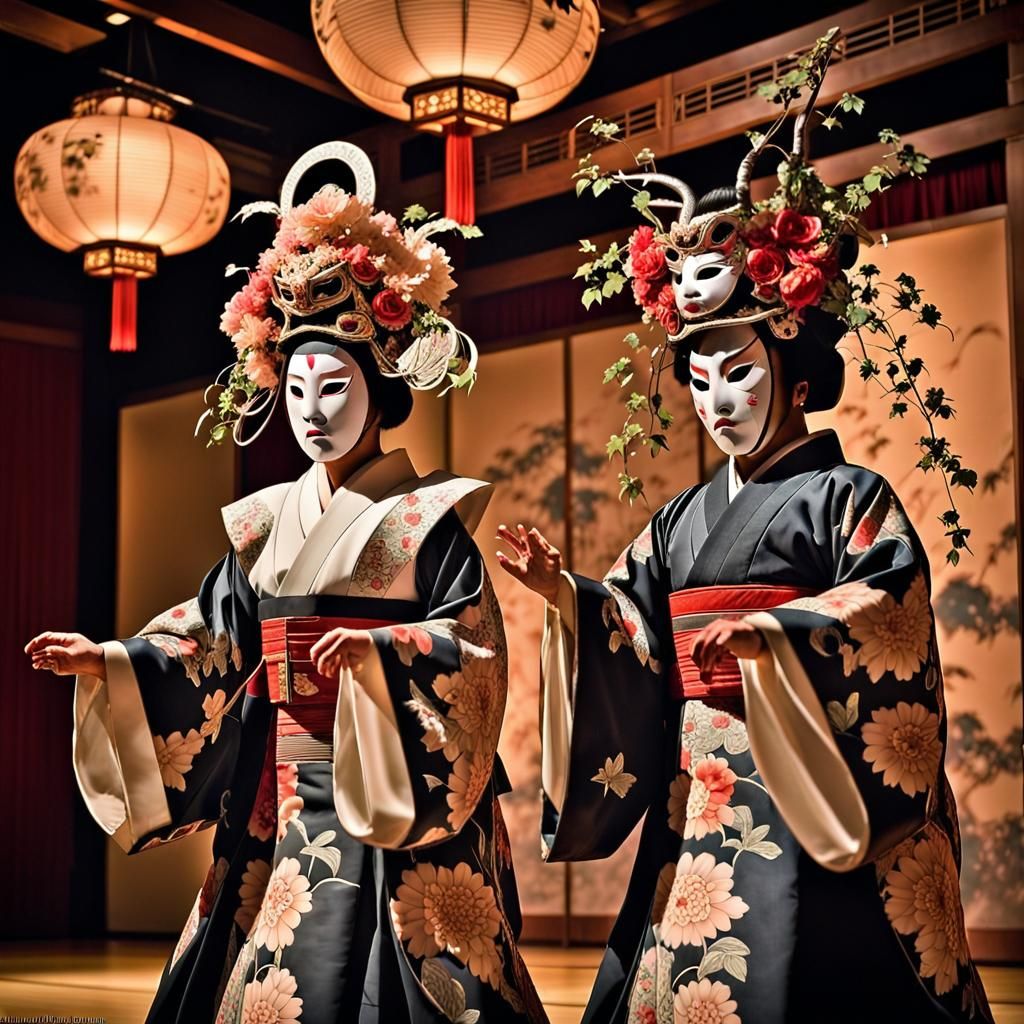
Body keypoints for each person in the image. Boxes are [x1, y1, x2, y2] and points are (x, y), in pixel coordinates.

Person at [497, 58, 994, 1024]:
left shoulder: (848, 493)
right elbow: (637, 632)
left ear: (796, 374)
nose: (717, 399)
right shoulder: (680, 519)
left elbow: (887, 611)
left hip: (805, 778)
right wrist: (572, 600)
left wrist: (785, 634)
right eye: (700, 379)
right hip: (698, 789)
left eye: (740, 371)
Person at [25, 142, 545, 1024]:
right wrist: (115, 656)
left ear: (381, 392)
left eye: (335, 386)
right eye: (298, 387)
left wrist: (386, 653)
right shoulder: (264, 524)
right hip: (279, 797)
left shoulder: (428, 518)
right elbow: (214, 634)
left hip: (390, 796)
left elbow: (477, 651)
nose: (313, 410)